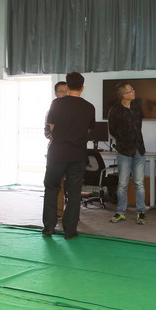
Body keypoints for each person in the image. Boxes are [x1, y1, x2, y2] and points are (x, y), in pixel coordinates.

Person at [42, 72, 95, 239]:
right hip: (78, 154)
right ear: (82, 88)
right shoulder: (89, 107)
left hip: (57, 153)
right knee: (74, 193)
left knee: (51, 189)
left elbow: (51, 128)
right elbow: (88, 131)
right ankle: (70, 230)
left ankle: (49, 227)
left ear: (67, 86)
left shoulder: (56, 103)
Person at [107, 82, 147, 225]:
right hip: (124, 150)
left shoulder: (136, 106)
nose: (134, 92)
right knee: (122, 183)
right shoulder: (115, 110)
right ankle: (120, 212)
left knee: (139, 183)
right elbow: (112, 130)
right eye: (131, 90)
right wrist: (124, 138)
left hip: (139, 149)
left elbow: (138, 126)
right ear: (124, 95)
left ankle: (141, 211)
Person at [44, 81, 69, 217]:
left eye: (66, 91)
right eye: (61, 91)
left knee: (72, 184)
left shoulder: (74, 110)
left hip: (72, 152)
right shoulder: (51, 111)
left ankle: (71, 214)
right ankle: (58, 211)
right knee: (56, 183)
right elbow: (47, 133)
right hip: (56, 151)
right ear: (56, 93)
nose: (64, 94)